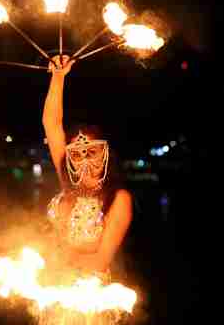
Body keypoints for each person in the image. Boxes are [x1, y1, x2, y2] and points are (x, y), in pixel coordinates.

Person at [42, 55, 133, 286]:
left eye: (91, 152)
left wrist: (57, 261)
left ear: (104, 155)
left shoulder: (118, 198)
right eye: (76, 153)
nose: (84, 160)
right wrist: (58, 76)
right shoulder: (68, 184)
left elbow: (101, 260)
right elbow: (52, 124)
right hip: (53, 285)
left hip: (90, 295)